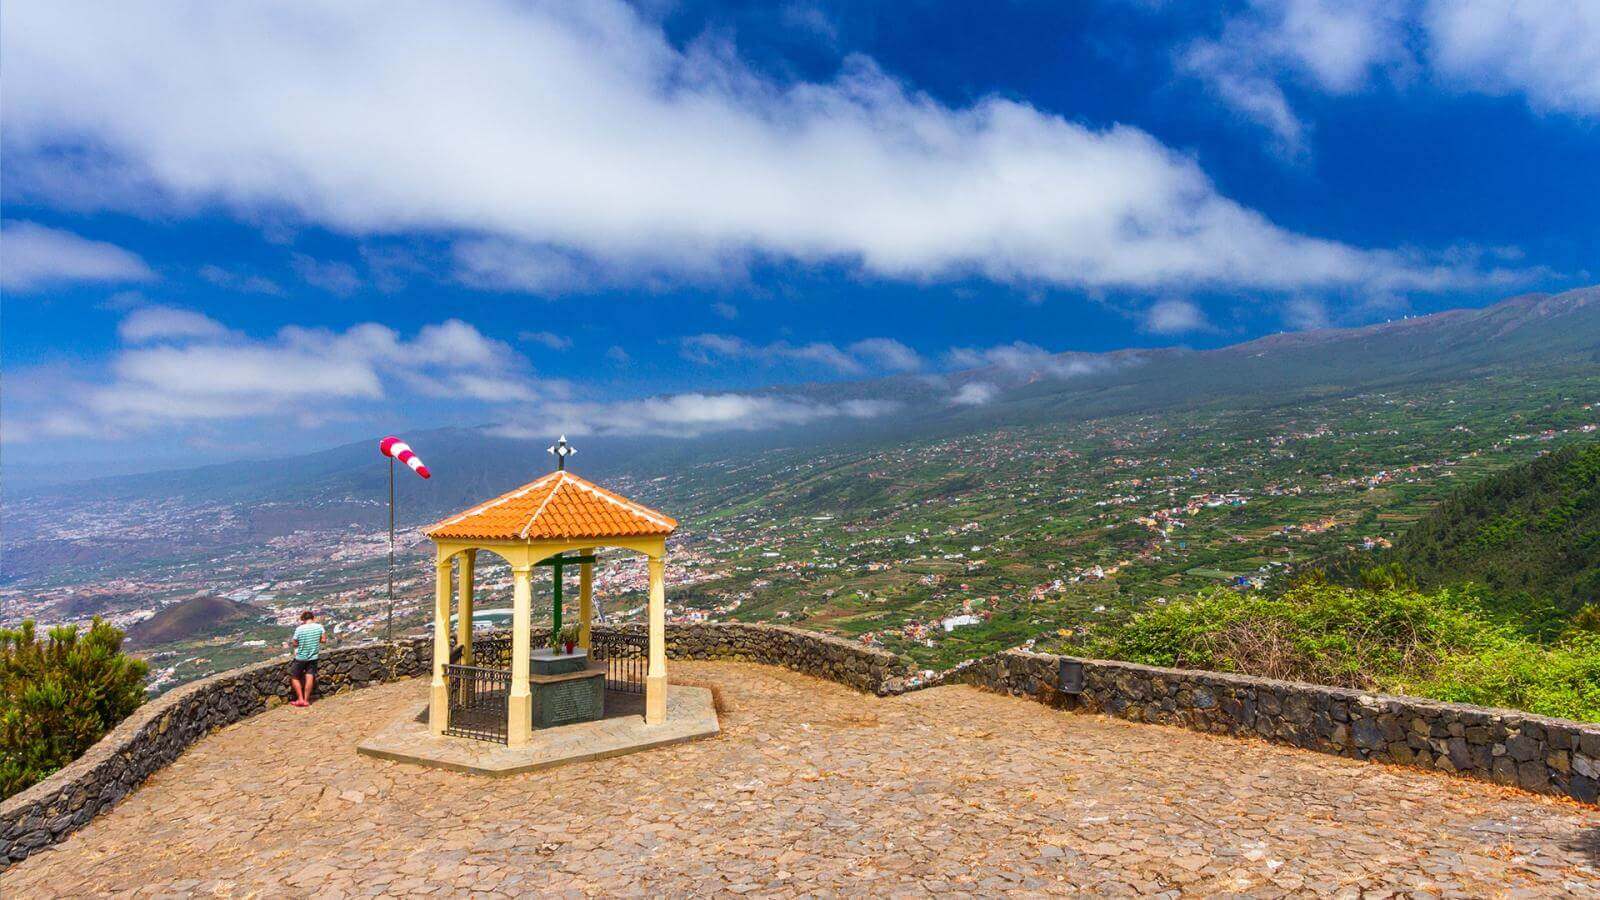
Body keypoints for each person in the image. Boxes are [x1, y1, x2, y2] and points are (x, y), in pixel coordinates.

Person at [285, 610, 326, 707]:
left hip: (301, 657)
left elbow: (295, 643)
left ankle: (300, 699)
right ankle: (306, 700)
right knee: (309, 677)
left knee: (294, 677)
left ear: (303, 619)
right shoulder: (319, 627)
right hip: (313, 657)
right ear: (313, 618)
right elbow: (323, 640)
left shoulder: (299, 629)